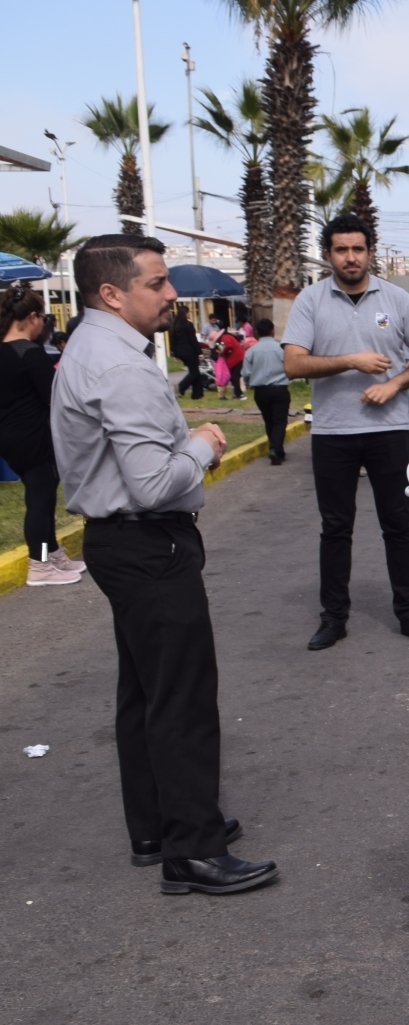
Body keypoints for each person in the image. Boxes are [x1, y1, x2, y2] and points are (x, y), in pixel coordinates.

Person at [50, 234, 277, 894]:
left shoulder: (93, 347)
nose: (171, 293)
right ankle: (193, 849)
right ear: (112, 293)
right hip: (147, 542)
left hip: (122, 542)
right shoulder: (118, 365)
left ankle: (158, 825)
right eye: (156, 283)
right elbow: (152, 484)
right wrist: (203, 444)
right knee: (181, 697)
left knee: (146, 692)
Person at [282, 212, 409, 650]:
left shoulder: (397, 300)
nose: (350, 257)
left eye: (357, 249)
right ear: (328, 254)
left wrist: (395, 384)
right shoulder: (311, 301)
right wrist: (352, 360)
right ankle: (333, 618)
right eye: (341, 250)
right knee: (335, 529)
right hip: (332, 434)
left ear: (370, 252)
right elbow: (293, 363)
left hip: (388, 430)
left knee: (397, 525)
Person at [1, 285, 85, 584]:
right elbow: (54, 399)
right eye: (44, 318)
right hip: (36, 438)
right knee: (41, 501)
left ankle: (52, 554)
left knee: (42, 498)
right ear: (33, 317)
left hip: (10, 437)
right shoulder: (29, 352)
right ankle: (39, 564)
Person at [242, 318, 292, 465]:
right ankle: (276, 449)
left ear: (257, 333)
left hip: (261, 391)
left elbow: (246, 373)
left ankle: (276, 449)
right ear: (273, 331)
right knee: (280, 421)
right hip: (279, 389)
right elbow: (290, 368)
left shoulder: (251, 351)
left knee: (268, 419)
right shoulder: (281, 349)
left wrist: (249, 384)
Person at [170, 309, 206, 400]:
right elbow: (193, 339)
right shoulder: (188, 324)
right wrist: (199, 352)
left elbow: (173, 340)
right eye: (188, 312)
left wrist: (175, 354)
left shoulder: (175, 325)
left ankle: (197, 394)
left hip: (180, 351)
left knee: (195, 371)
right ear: (185, 313)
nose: (189, 314)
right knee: (194, 372)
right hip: (190, 350)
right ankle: (181, 387)